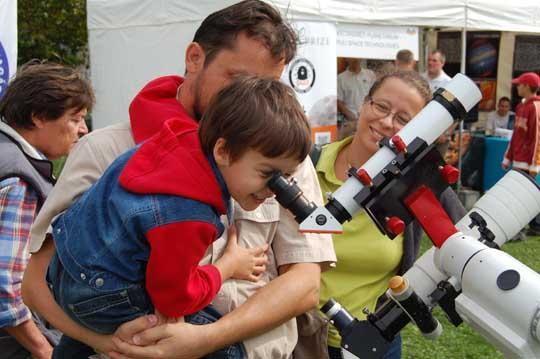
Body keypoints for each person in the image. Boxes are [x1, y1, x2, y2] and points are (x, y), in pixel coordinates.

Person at [22, 1, 336, 358]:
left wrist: (207, 339)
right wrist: (108, 343)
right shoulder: (105, 149)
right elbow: (36, 282)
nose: (253, 100)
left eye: (268, 86)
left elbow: (306, 283)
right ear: (194, 58)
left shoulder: (280, 156)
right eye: (239, 80)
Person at [47, 76, 311, 358]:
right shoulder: (189, 213)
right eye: (267, 174)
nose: (274, 191)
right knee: (229, 351)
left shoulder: (175, 143)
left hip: (65, 270)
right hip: (103, 296)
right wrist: (226, 267)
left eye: (285, 179)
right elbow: (175, 299)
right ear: (222, 150)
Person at [294, 71, 466, 359]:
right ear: (364, 104)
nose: (386, 123)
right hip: (300, 341)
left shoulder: (419, 186)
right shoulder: (306, 166)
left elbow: (467, 242)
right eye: (381, 107)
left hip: (373, 344)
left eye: (403, 119)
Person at [0, 61, 93, 358]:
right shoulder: (19, 179)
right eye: (75, 118)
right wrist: (44, 350)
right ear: (38, 117)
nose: (83, 130)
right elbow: (5, 288)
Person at [502, 72, 540, 236]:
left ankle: (532, 226)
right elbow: (516, 135)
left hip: (528, 162)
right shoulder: (520, 106)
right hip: (518, 160)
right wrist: (508, 157)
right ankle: (523, 228)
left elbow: (537, 138)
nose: (516, 87)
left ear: (526, 86)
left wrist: (534, 164)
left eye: (519, 84)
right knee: (518, 195)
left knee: (525, 197)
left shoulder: (535, 107)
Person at [337, 58, 376, 124]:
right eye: (352, 57)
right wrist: (349, 115)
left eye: (357, 57)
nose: (355, 59)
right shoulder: (340, 78)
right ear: (347, 59)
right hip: (351, 119)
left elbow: (376, 94)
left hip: (369, 116)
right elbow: (339, 101)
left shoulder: (370, 74)